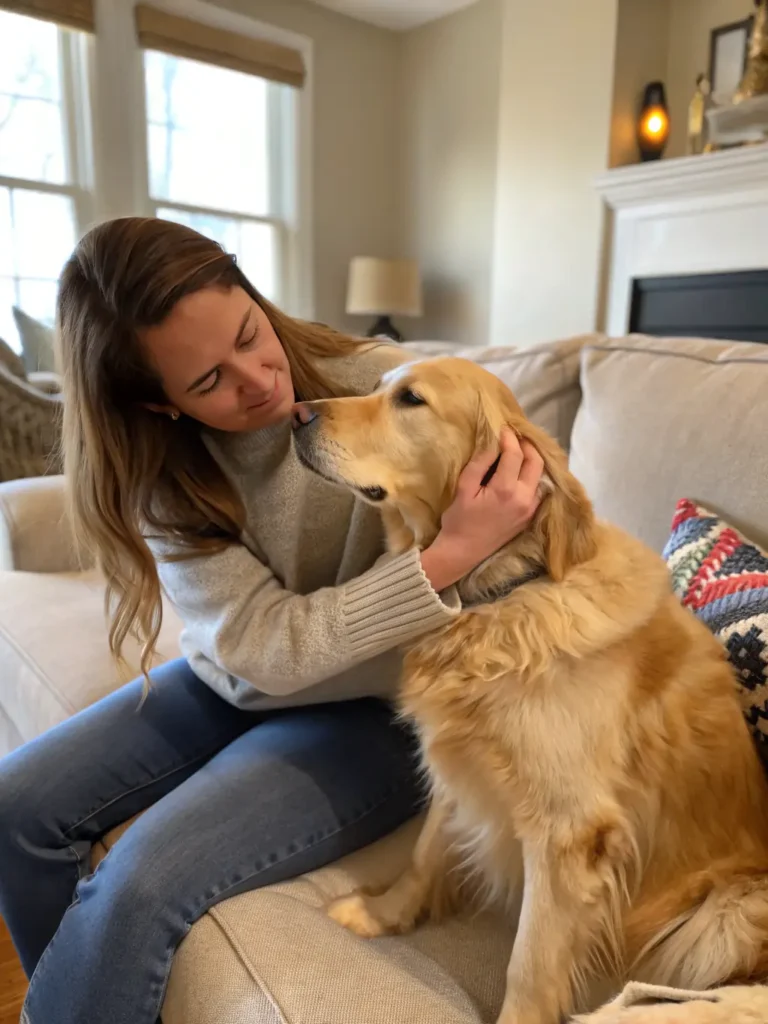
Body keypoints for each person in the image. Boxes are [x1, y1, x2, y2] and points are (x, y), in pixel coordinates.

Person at [0, 217, 544, 1024]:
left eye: (250, 334)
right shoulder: (162, 473)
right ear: (158, 403)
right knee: (16, 805)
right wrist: (441, 561)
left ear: (253, 294)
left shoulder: (392, 387)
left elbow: (529, 525)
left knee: (142, 884)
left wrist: (475, 542)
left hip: (383, 708)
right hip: (236, 678)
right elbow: (261, 648)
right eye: (208, 381)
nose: (258, 380)